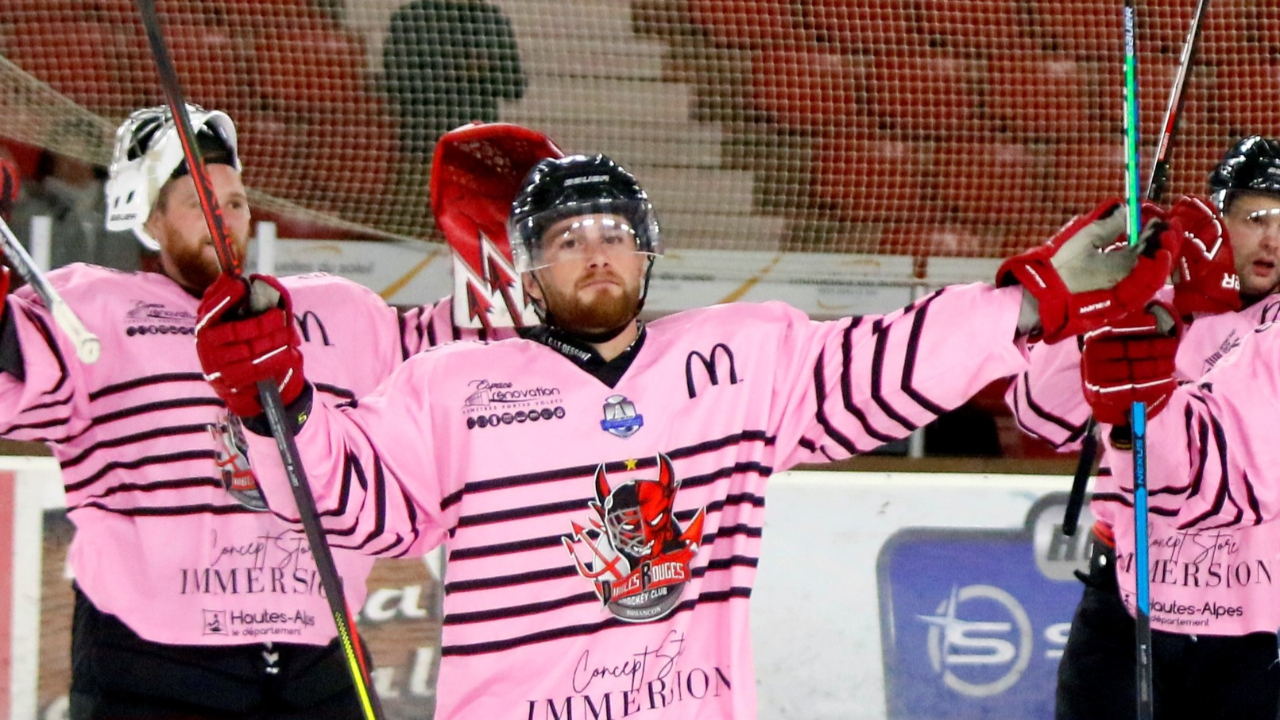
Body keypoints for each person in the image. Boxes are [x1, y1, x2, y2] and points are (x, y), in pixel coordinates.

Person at [194, 153, 1177, 718]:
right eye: (566, 238)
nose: (594, 252)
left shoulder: (738, 360)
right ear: (527, 270)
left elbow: (891, 359)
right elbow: (351, 499)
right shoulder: (452, 385)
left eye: (613, 231)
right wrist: (272, 405)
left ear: (648, 251)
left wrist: (1036, 298)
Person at [0, 104, 527, 719]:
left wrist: (505, 253)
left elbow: (474, 363)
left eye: (235, 201)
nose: (223, 219)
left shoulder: (335, 313)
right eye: (199, 203)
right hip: (149, 665)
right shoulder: (91, 313)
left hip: (317, 654)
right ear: (148, 217)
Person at [1006, 135, 1280, 720]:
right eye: (1256, 217)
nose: (1272, 238)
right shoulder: (1162, 298)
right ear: (1216, 217)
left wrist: (1186, 327)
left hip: (1259, 631)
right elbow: (1040, 412)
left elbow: (1223, 476)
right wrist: (1118, 289)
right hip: (1125, 611)